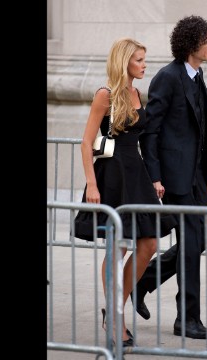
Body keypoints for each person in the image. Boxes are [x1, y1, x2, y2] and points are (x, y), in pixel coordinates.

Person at [72, 37, 177, 347]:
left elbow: (141, 142)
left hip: (137, 173)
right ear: (124, 62)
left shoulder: (136, 93)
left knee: (150, 243)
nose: (145, 65)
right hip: (112, 176)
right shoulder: (105, 95)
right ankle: (117, 318)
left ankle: (117, 305)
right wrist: (91, 184)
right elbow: (85, 142)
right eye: (139, 60)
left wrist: (154, 179)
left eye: (145, 60)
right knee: (116, 249)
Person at [135, 15, 207, 339]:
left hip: (196, 176)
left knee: (202, 239)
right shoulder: (167, 78)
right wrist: (155, 176)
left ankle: (142, 281)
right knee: (192, 243)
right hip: (172, 178)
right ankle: (187, 318)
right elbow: (150, 132)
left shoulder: (197, 75)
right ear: (192, 44)